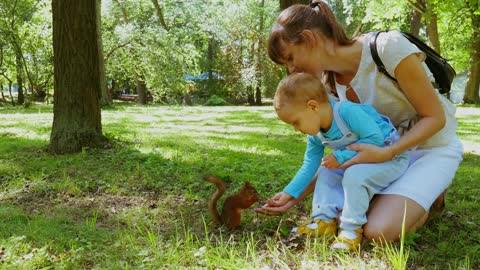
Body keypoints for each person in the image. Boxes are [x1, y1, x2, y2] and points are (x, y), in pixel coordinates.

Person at [255, 0, 464, 242]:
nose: (292, 69)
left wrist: (388, 152)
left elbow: (435, 118)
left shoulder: (387, 48)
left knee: (378, 232)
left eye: (290, 58)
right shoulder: (326, 89)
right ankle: (403, 194)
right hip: (380, 157)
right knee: (346, 216)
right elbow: (330, 158)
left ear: (310, 39)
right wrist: (293, 196)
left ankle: (431, 193)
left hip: (429, 147)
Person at [272, 73, 409, 250]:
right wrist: (288, 193)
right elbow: (309, 165)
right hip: (361, 161)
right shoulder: (317, 134)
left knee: (354, 174)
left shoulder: (347, 112)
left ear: (312, 106)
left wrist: (341, 155)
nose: (296, 129)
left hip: (390, 159)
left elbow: (375, 139)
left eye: (296, 122)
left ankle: (351, 230)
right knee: (326, 170)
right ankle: (324, 221)